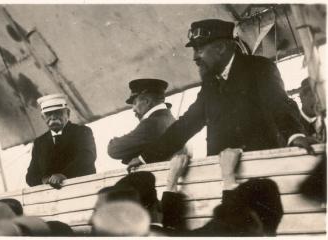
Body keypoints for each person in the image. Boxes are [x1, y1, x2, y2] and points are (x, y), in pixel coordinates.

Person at [134, 19, 315, 166]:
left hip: (260, 166)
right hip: (222, 170)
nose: (195, 57)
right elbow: (186, 124)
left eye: (200, 49)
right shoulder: (210, 84)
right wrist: (145, 158)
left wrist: (295, 136)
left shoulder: (259, 68)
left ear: (221, 48)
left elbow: (280, 106)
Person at [26, 93, 97, 188]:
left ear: (67, 113)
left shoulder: (82, 132)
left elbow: (87, 157)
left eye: (58, 112)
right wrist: (44, 180)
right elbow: (30, 176)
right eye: (48, 114)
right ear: (43, 117)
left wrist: (64, 175)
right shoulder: (39, 142)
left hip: (83, 188)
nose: (53, 117)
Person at [108, 78, 176, 168]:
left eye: (135, 103)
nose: (133, 109)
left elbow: (114, 150)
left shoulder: (151, 124)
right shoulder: (170, 119)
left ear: (146, 102)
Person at [299, 77, 326, 142]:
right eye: (313, 96)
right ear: (302, 97)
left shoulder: (326, 122)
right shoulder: (292, 124)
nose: (318, 102)